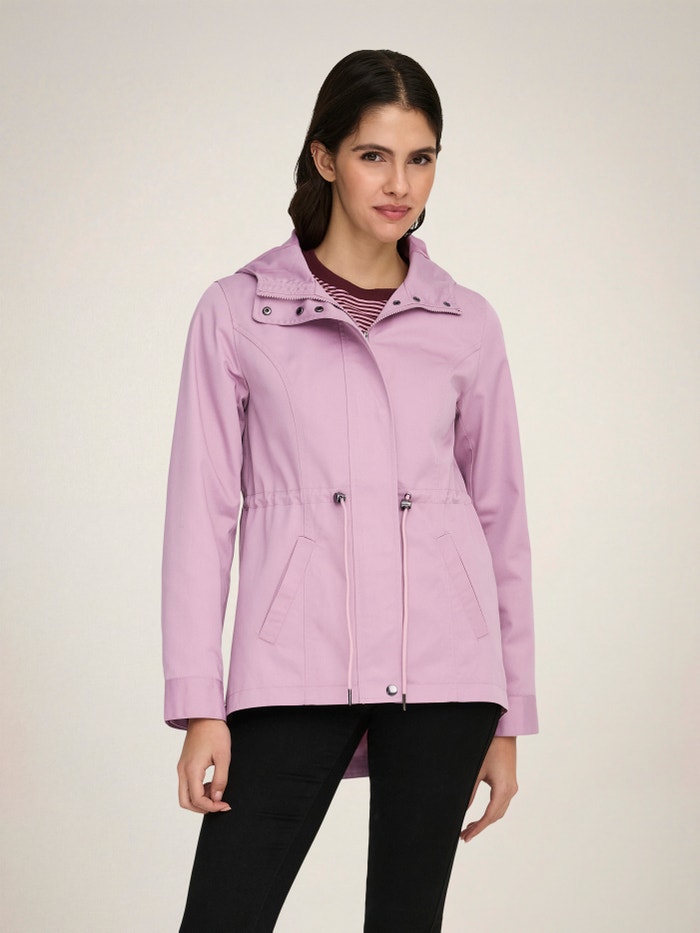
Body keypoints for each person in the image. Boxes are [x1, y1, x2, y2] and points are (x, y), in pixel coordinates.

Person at [162, 49, 538, 932]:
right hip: (292, 661)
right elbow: (199, 515)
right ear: (325, 157)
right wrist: (200, 701)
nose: (400, 183)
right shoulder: (238, 311)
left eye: (421, 157)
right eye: (375, 155)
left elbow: (501, 518)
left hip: (446, 673)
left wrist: (510, 712)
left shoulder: (468, 322)